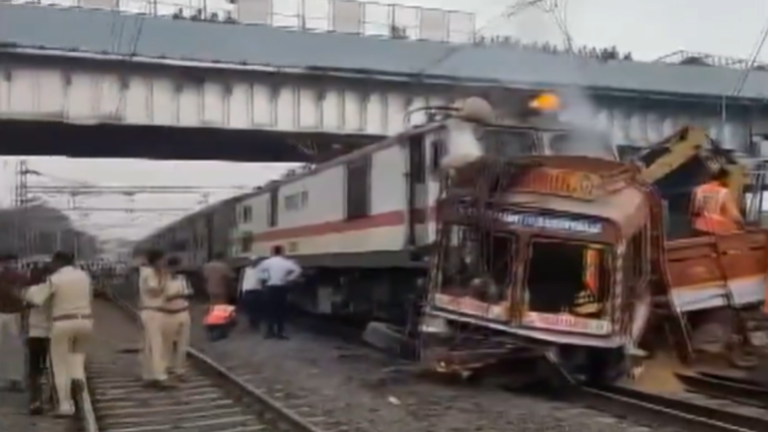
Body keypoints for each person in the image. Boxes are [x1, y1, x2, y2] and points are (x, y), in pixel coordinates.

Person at [20, 251, 93, 417]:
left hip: (63, 322)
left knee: (60, 365)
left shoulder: (56, 279)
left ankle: (65, 405)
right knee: (76, 358)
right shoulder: (84, 276)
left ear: (58, 262)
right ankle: (77, 378)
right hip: (86, 321)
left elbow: (36, 299)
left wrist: (25, 292)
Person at [138, 249, 173, 388]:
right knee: (156, 344)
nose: (165, 262)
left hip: (154, 311)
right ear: (156, 260)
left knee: (149, 344)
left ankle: (148, 374)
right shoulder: (149, 273)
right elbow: (154, 291)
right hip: (152, 311)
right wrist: (164, 279)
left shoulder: (151, 273)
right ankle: (160, 375)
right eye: (162, 259)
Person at [252, 245, 301, 339]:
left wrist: (266, 278)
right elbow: (298, 270)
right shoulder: (286, 262)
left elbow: (257, 271)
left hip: (270, 287)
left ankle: (269, 332)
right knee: (281, 310)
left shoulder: (267, 262)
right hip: (282, 287)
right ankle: (280, 332)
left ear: (273, 252)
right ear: (282, 252)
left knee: (270, 310)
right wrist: (288, 278)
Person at [26, 262, 53, 415]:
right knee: (50, 368)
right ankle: (51, 398)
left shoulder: (30, 291)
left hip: (34, 334)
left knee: (34, 369)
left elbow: (25, 309)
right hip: (50, 334)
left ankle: (35, 400)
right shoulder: (52, 289)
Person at [161, 256, 191, 380]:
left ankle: (180, 370)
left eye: (177, 267)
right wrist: (179, 294)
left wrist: (184, 294)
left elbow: (188, 292)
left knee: (183, 344)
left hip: (183, 312)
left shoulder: (182, 279)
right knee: (167, 343)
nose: (176, 269)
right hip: (168, 313)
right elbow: (162, 297)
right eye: (173, 267)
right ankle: (166, 367)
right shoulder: (162, 280)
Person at [0, 253, 26, 393]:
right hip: (14, 313)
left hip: (11, 313)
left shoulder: (18, 276)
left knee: (13, 348)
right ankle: (14, 379)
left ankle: (12, 379)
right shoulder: (20, 276)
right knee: (15, 348)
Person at [690, 169, 744, 235]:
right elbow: (734, 215)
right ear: (724, 178)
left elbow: (692, 212)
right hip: (717, 230)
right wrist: (742, 223)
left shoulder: (698, 190)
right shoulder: (724, 192)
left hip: (699, 228)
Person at [239, 256, 264, 331]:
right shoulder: (245, 270)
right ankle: (252, 323)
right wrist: (240, 291)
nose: (253, 263)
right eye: (251, 261)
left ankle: (256, 323)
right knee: (250, 308)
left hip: (257, 290)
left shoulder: (260, 270)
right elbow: (241, 280)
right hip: (248, 290)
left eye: (255, 261)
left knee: (257, 308)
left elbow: (263, 280)